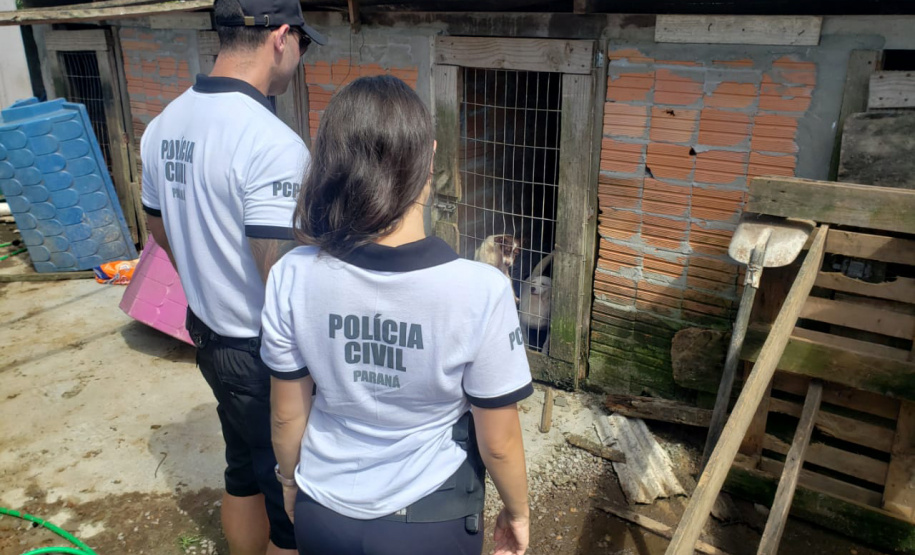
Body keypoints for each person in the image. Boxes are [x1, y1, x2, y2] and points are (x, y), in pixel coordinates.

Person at [262, 75, 533, 555]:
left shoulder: (293, 274)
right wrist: (517, 512)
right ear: (429, 157)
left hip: (324, 512)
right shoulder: (480, 290)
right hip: (431, 520)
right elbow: (500, 442)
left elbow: (287, 415)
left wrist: (289, 481)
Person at [139, 0, 325, 552]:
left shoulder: (163, 124)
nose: (300, 58)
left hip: (208, 335)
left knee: (243, 469)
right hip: (261, 352)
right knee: (292, 498)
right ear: (282, 38)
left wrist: (206, 273)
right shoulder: (269, 143)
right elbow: (284, 277)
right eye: (303, 45)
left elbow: (156, 226)